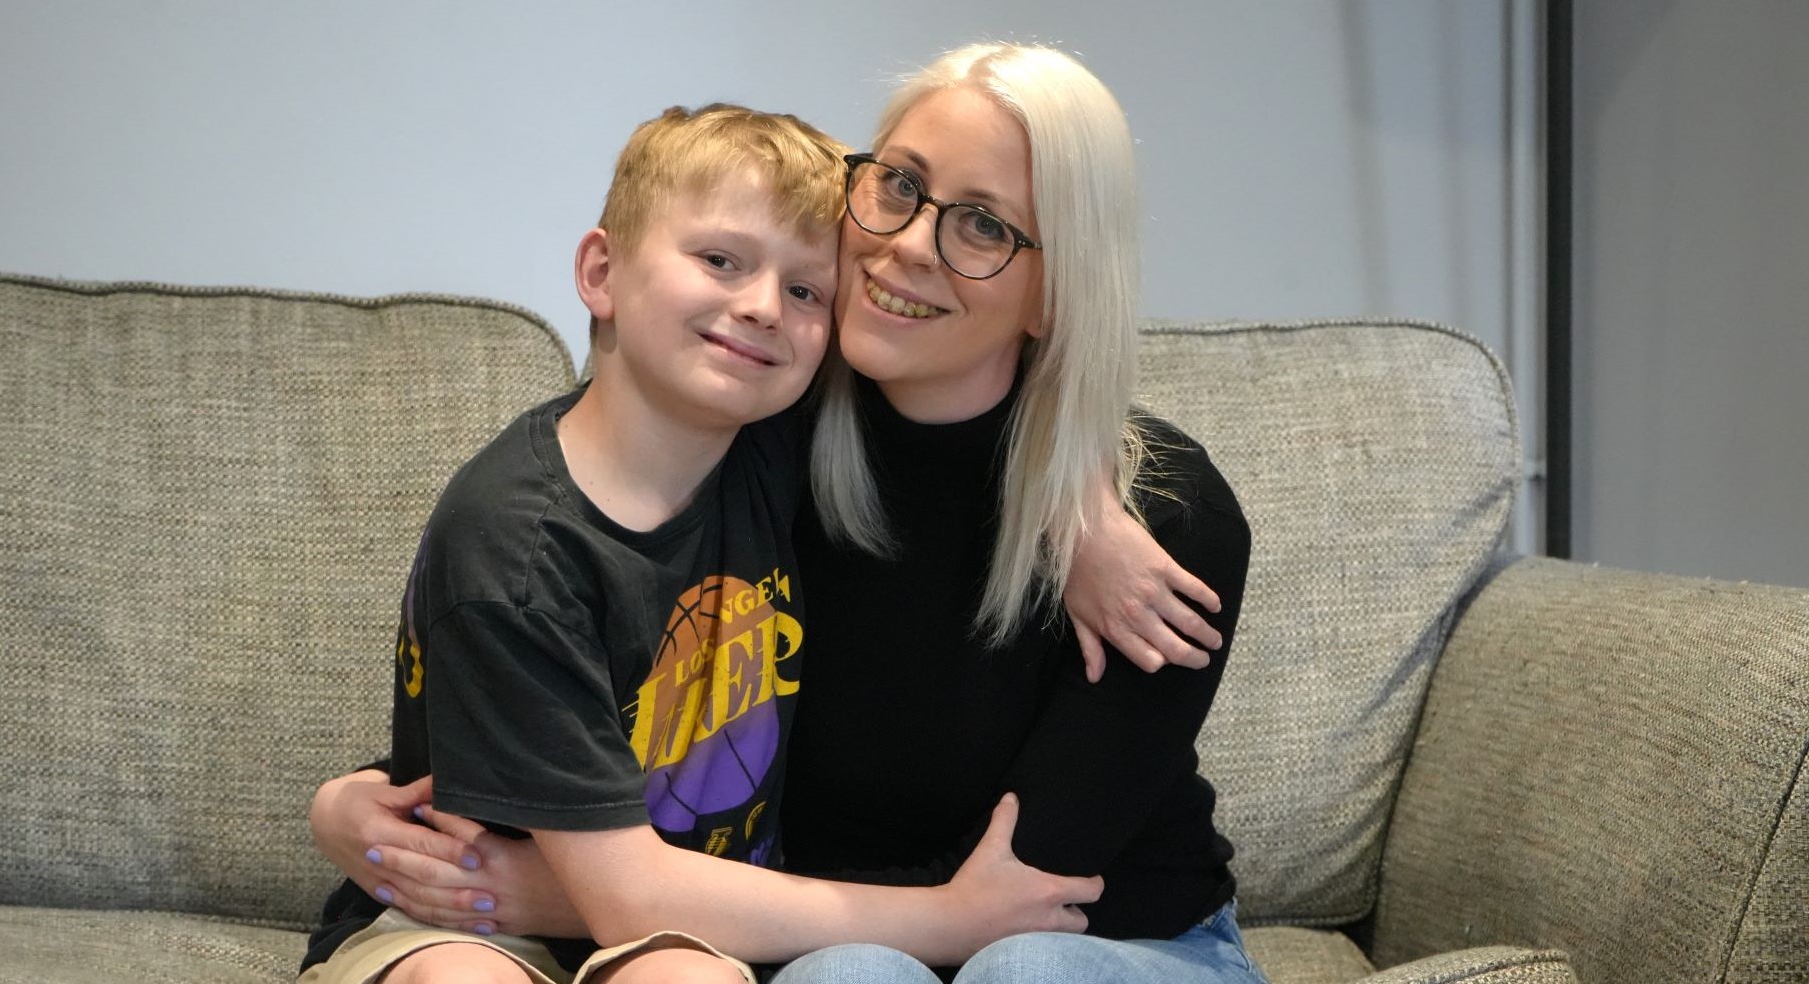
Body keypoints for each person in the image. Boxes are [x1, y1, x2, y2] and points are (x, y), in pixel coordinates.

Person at [313, 42, 1264, 984]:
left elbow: (1020, 898)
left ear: (1055, 291)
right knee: (845, 977)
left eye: (983, 225)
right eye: (899, 185)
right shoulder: (764, 430)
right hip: (833, 935)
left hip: (1105, 940)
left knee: (1020, 972)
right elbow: (575, 628)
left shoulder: (1168, 528)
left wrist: (1077, 497)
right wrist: (355, 802)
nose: (908, 244)